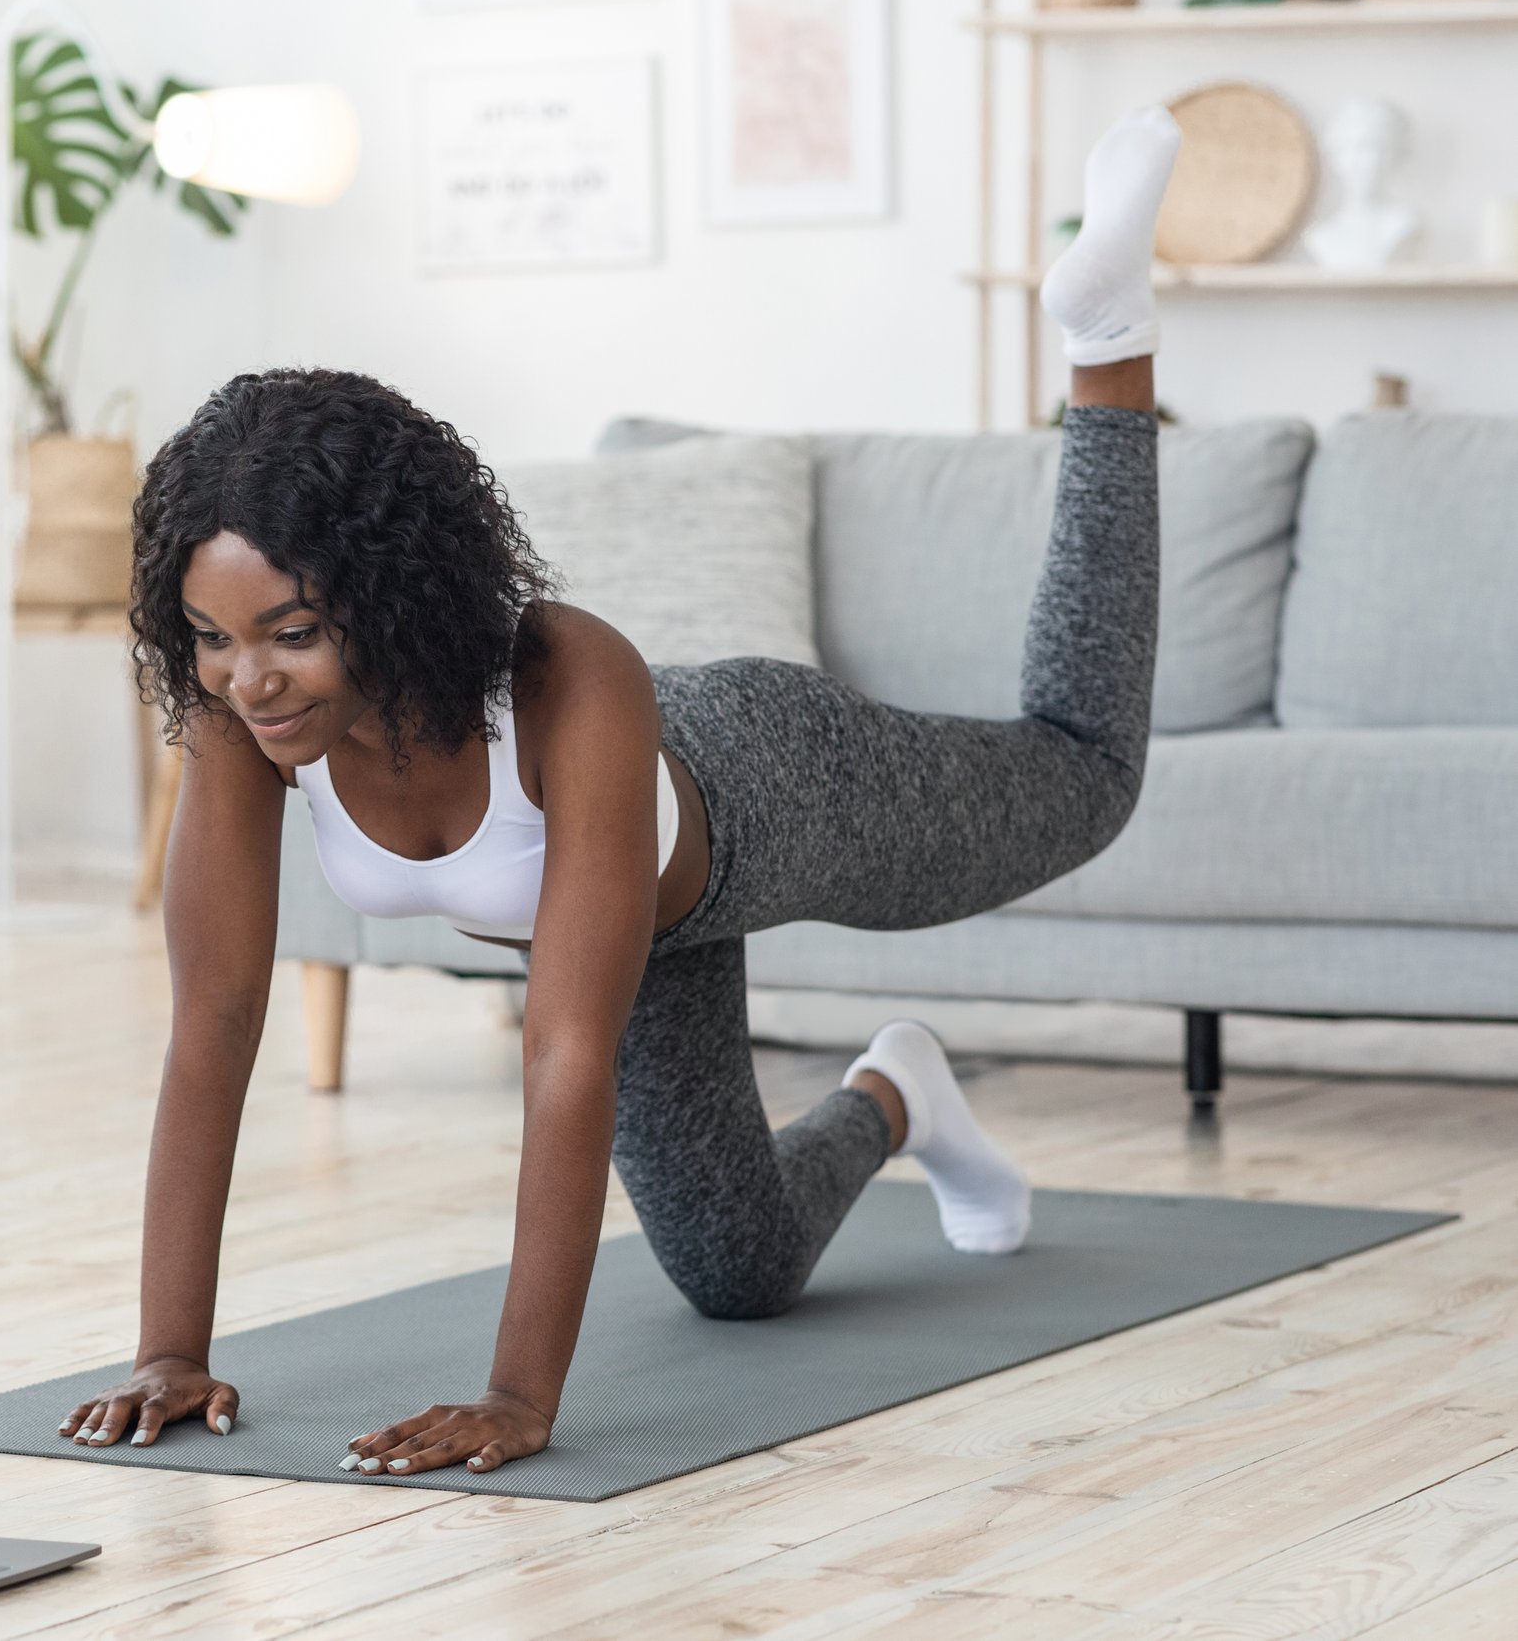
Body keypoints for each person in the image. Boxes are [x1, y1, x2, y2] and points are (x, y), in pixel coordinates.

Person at [60, 108, 1184, 1478]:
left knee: (1084, 775)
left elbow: (564, 1050)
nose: (249, 679)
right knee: (739, 1269)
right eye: (214, 636)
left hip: (776, 788)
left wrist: (519, 1396)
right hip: (635, 916)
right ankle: (904, 1095)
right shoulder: (240, 716)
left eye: (293, 631)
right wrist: (171, 1349)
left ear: (388, 589)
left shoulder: (564, 674)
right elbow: (215, 1020)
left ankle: (1109, 342)